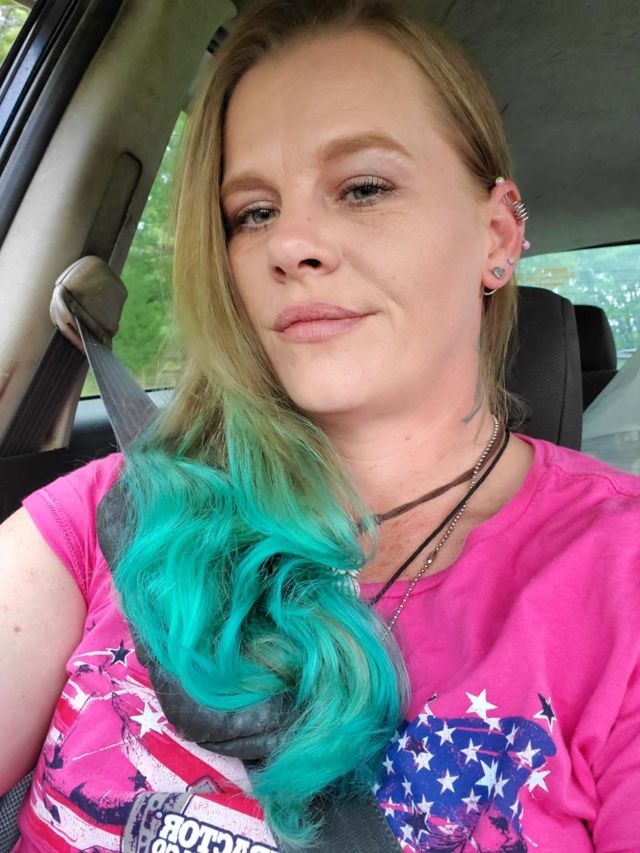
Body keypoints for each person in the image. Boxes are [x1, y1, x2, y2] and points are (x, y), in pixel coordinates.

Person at [1, 0, 639, 850]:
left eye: (364, 187)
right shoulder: (119, 509)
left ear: (497, 234)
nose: (289, 244)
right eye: (253, 212)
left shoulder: (620, 578)